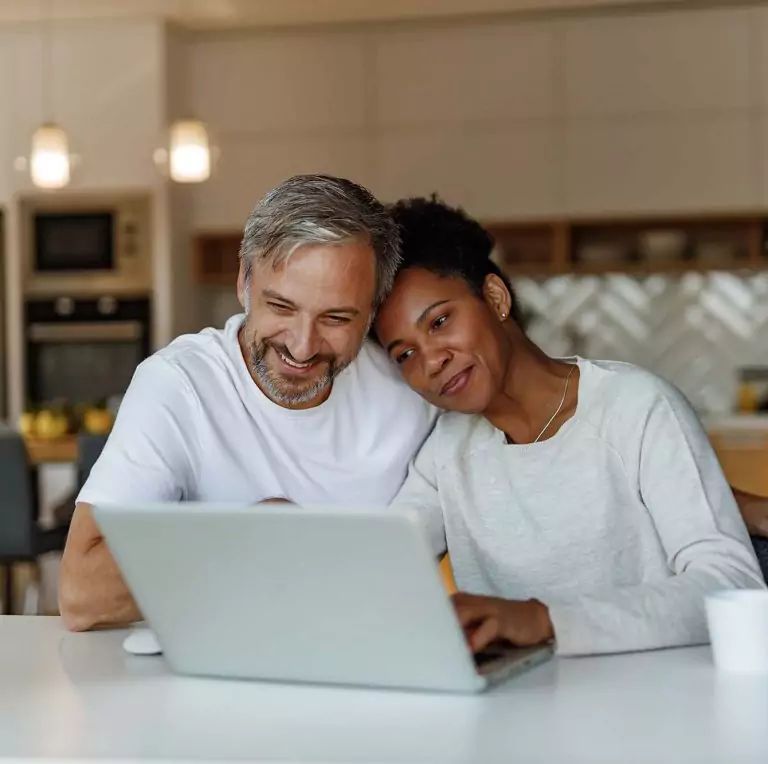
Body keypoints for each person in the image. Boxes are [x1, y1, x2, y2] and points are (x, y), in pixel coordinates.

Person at [375, 196, 767, 657]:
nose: (432, 360)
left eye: (440, 321)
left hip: (660, 703)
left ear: (496, 298)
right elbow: (379, 569)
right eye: (404, 354)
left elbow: (729, 582)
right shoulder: (445, 453)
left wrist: (543, 620)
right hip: (520, 708)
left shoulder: (635, 407)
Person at [58, 175, 436, 631]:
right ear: (244, 281)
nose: (302, 346)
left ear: (373, 312)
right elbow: (81, 595)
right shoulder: (179, 386)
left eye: (335, 318)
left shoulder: (412, 391)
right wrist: (246, 535)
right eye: (280, 307)